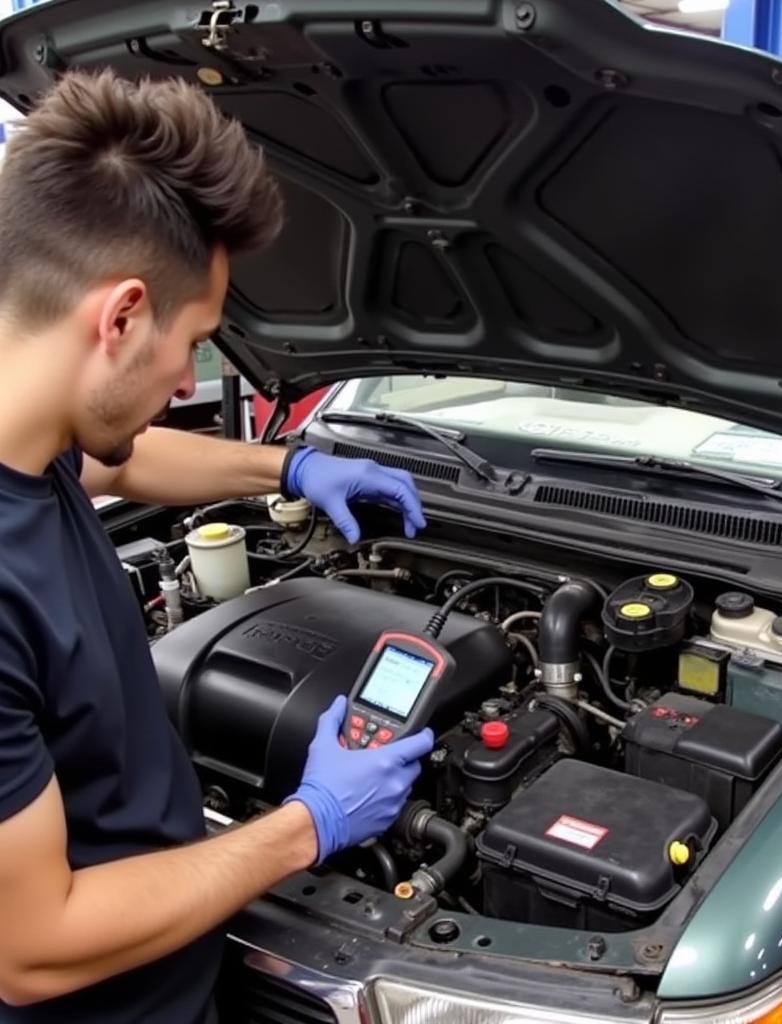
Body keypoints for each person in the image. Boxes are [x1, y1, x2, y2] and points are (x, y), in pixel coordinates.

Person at [0, 70, 435, 1023]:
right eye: (195, 341)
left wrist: (287, 468)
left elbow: (114, 459)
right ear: (118, 318)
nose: (184, 377)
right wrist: (306, 825)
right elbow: (31, 951)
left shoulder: (30, 434)